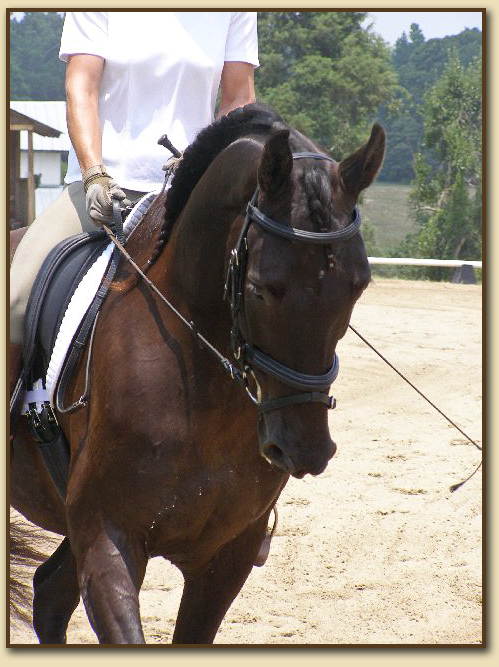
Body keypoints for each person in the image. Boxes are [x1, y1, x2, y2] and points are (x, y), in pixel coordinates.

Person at [10, 11, 259, 400]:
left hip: (190, 193)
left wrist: (203, 158)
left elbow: (239, 98)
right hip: (102, 188)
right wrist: (94, 173)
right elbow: (82, 86)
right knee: (15, 298)